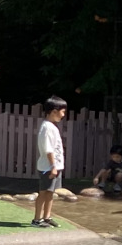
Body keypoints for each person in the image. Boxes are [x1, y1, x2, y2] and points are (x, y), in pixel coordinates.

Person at [33, 97, 68, 228]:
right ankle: (37, 219)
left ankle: (47, 217)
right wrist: (53, 166)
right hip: (48, 167)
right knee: (43, 192)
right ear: (54, 111)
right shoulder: (46, 128)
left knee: (51, 192)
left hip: (54, 166)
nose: (63, 115)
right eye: (62, 112)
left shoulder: (52, 127)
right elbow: (48, 149)